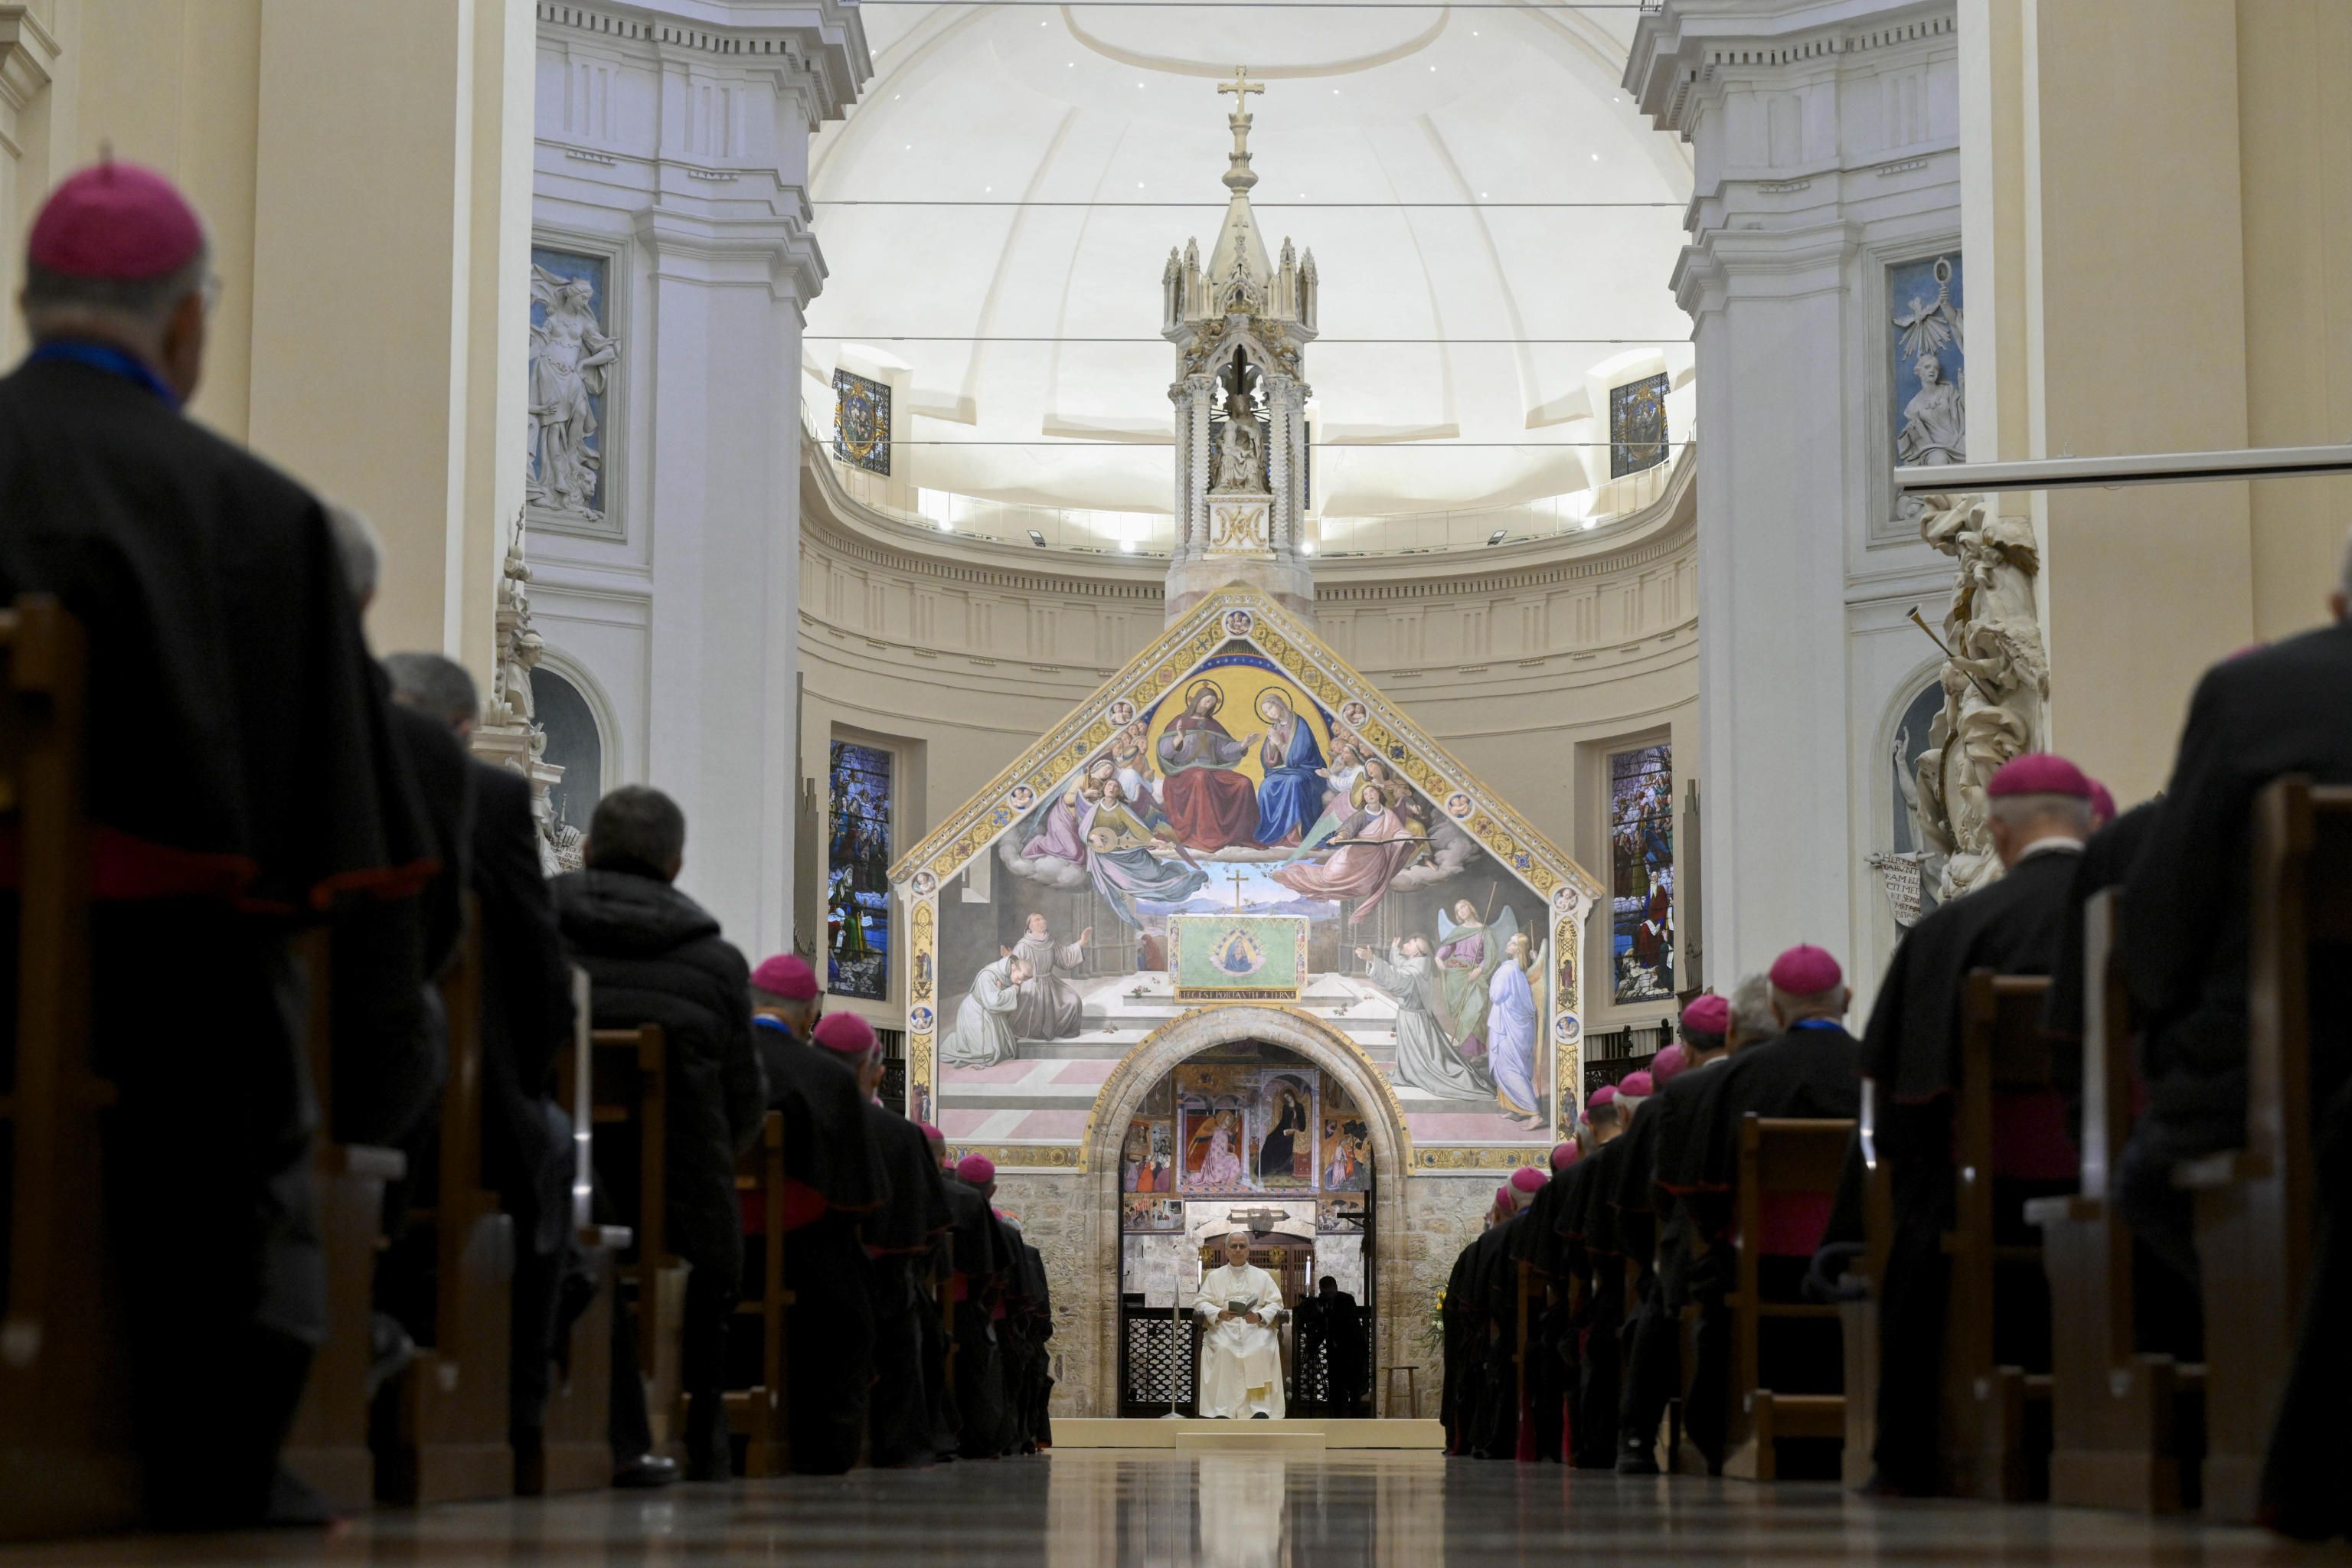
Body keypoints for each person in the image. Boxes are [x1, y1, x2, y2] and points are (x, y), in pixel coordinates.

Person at [0, 159, 436, 1529]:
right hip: (156, 997)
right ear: (188, 324)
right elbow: (337, 867)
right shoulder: (260, 520)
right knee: (252, 1029)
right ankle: (208, 1449)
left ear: (28, 302)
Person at [2119, 545, 2352, 1537]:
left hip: (2299, 1048)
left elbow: (2172, 902)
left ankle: (2280, 1396)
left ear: (2338, 598)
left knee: (2154, 1180)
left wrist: (2161, 1024)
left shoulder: (2258, 692)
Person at [1860, 756, 2092, 1496]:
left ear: (1994, 830)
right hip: (2129, 1181)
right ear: (2087, 821)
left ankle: (1907, 1458)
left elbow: (1900, 1100)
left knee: (1915, 1223)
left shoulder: (1948, 932)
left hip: (1988, 1194)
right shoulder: (2147, 909)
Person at [381, 652, 583, 1482]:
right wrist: (526, 1076)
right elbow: (540, 972)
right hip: (434, 1083)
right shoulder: (486, 795)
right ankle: (520, 1413)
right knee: (550, 1160)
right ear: (465, 731)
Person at [554, 786, 767, 1481]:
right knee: (716, 1253)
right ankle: (704, 1423)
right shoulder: (715, 963)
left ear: (585, 851)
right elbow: (744, 1106)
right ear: (676, 864)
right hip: (680, 1196)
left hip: (553, 1178)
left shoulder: (536, 925)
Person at [743, 955, 889, 1475]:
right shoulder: (826, 1077)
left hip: (709, 1239)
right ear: (809, 1014)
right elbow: (859, 1197)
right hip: (799, 1251)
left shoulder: (714, 1055)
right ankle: (825, 1449)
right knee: (850, 1310)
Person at [815, 1011, 953, 1468]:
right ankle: (901, 1445)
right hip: (871, 1279)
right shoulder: (897, 1135)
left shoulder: (777, 1099)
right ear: (874, 1072)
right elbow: (925, 1230)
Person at [1357, 936, 1494, 1102]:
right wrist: (1394, 949)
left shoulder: (1414, 972)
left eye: (1409, 944)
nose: (1405, 944)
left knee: (1428, 1061)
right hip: (1412, 1017)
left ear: (1415, 952)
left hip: (1413, 1021)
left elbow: (1396, 978)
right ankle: (1410, 1071)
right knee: (1417, 1056)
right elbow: (1401, 965)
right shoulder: (1420, 963)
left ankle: (1418, 1074)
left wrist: (1373, 959)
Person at [1154, 681, 1263, 850]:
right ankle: (1205, 834)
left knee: (1243, 782)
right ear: (1197, 700)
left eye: (1212, 703)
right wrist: (1179, 737)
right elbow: (1165, 752)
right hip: (1184, 772)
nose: (1209, 705)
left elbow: (1224, 750)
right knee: (1200, 776)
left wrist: (1243, 745)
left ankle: (1240, 834)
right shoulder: (1180, 721)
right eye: (1207, 701)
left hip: (1212, 770)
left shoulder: (1213, 725)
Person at [1195, 1230, 1285, 1419]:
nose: (1238, 1250)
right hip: (1224, 1326)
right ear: (1227, 1250)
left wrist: (1259, 1316)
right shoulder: (1214, 1277)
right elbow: (1201, 1303)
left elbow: (1276, 1303)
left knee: (1260, 1347)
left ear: (1248, 1251)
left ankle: (1259, 1409)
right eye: (1234, 1246)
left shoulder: (1262, 1277)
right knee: (1223, 1349)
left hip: (1255, 1326)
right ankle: (1223, 1410)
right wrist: (1218, 1313)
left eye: (1242, 1246)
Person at [1252, 690, 1328, 846]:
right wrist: (1272, 745)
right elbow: (1268, 761)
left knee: (1294, 782)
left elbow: (1298, 757)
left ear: (1279, 704)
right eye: (1266, 712)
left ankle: (1297, 834)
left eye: (1270, 708)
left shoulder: (1299, 724)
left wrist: (1279, 743)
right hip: (1284, 770)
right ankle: (1275, 833)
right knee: (1266, 785)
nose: (1269, 714)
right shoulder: (1275, 727)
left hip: (1307, 770)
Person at [940, 951, 1033, 1068]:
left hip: (991, 1013)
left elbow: (1000, 998)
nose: (1020, 983)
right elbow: (993, 1002)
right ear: (1014, 968)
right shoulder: (988, 975)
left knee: (1003, 1049)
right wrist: (1013, 990)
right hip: (975, 1012)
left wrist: (1005, 992)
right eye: (1021, 978)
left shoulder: (1007, 972)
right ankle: (953, 1044)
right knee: (985, 1054)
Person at [1008, 913, 1089, 1040]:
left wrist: (1081, 942)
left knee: (1073, 1000)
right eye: (1037, 920)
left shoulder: (1051, 942)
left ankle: (1062, 1030)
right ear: (1030, 926)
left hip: (1050, 982)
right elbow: (1013, 968)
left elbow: (1066, 957)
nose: (1042, 921)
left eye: (1043, 919)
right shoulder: (1023, 945)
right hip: (1030, 984)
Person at [1295, 1276, 1365, 1415]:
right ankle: (1337, 1419)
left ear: (1336, 1289)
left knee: (1354, 1390)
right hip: (1335, 1355)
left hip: (1352, 1353)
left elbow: (1345, 1324)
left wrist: (1324, 1311)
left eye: (1332, 1293)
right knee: (1336, 1391)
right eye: (1326, 1294)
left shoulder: (1346, 1300)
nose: (1330, 1297)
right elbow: (1321, 1327)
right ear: (1321, 1291)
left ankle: (1356, 1422)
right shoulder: (1323, 1303)